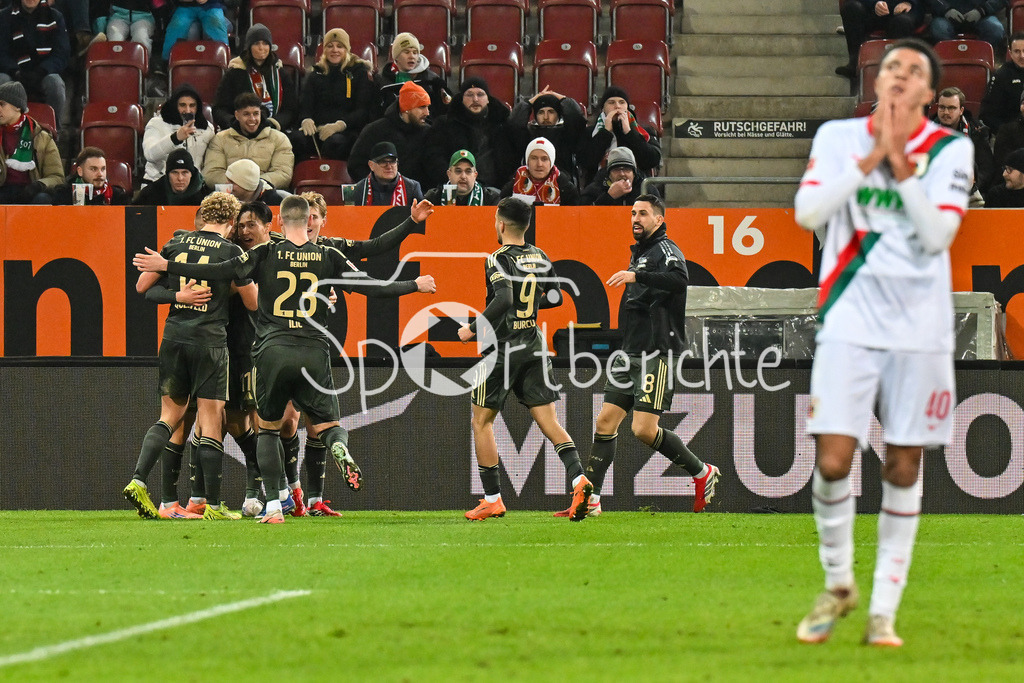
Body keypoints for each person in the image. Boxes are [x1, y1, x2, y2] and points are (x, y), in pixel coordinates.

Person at [793, 39, 973, 647]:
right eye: (892, 65)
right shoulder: (838, 139)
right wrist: (870, 161)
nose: (900, 76)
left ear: (929, 93)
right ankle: (839, 583)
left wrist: (901, 167)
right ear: (876, 79)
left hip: (919, 329)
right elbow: (808, 213)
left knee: (903, 463)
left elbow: (938, 233)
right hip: (848, 319)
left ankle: (883, 613)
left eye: (914, 71)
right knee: (833, 459)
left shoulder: (952, 149)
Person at [134, 195, 439, 523]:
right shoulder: (328, 254)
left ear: (278, 222)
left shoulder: (265, 252)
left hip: (271, 351)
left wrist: (168, 266)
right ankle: (336, 448)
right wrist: (415, 282)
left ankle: (274, 507)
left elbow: (220, 269)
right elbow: (374, 284)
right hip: (314, 350)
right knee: (327, 425)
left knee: (266, 429)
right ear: (310, 220)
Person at [580, 194, 721, 519]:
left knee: (643, 429)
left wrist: (637, 276)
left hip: (657, 351)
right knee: (604, 422)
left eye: (643, 213)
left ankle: (702, 472)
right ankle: (592, 501)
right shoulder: (642, 253)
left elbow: (679, 279)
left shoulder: (666, 249)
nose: (635, 218)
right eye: (633, 213)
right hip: (631, 352)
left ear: (659, 219)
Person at [457, 197, 593, 521]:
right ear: (527, 226)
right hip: (534, 345)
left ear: (500, 224)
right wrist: (527, 309)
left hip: (503, 350)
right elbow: (557, 296)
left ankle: (492, 499)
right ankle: (579, 480)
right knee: (550, 422)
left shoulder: (496, 259)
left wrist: (473, 329)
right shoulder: (540, 255)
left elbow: (503, 297)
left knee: (481, 421)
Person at [124, 192, 257, 521]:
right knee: (210, 421)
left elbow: (142, 286)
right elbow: (253, 303)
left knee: (169, 416)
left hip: (173, 338)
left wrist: (178, 295)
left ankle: (139, 480)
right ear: (229, 222)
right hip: (209, 342)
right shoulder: (231, 251)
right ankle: (210, 505)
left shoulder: (176, 244)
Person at [291, 27, 376, 163]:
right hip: (317, 130)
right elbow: (305, 104)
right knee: (295, 139)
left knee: (336, 143)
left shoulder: (359, 73)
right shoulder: (315, 74)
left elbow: (362, 110)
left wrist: (340, 125)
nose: (334, 50)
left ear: (346, 49)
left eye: (339, 46)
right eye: (330, 46)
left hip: (346, 130)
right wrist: (306, 119)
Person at [421, 77, 517, 190]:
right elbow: (434, 157)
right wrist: (451, 183)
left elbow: (512, 160)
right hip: (454, 189)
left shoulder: (502, 124)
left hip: (495, 191)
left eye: (480, 94)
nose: (475, 99)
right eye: (469, 95)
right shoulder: (444, 124)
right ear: (461, 98)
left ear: (488, 99)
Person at [213, 23, 297, 134]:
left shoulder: (279, 73)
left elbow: (291, 109)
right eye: (257, 43)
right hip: (240, 131)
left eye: (265, 43)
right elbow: (219, 109)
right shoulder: (234, 73)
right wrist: (236, 123)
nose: (262, 48)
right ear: (249, 47)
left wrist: (274, 123)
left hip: (273, 131)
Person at [0, 0, 70, 129]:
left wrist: (42, 70)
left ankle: (55, 131)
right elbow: (1, 53)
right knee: (2, 80)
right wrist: (15, 71)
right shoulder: (4, 17)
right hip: (14, 73)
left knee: (55, 83)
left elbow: (62, 54)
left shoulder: (55, 17)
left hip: (43, 73)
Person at [203, 92, 295, 191]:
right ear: (237, 115)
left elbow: (283, 174)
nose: (252, 119)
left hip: (265, 194)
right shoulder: (220, 139)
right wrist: (239, 186)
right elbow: (212, 174)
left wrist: (254, 185)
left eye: (256, 113)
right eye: (246, 114)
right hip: (230, 195)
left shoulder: (279, 139)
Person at [348, 80, 432, 184]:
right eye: (422, 107)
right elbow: (356, 165)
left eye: (428, 107)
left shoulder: (428, 132)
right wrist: (379, 188)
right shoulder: (375, 130)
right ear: (406, 108)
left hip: (418, 195)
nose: (427, 113)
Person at [578, 87, 662, 186]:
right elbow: (586, 162)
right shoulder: (589, 132)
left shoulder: (644, 131)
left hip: (635, 186)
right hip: (599, 187)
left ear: (627, 107)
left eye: (622, 102)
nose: (617, 106)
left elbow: (652, 160)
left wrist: (629, 133)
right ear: (603, 109)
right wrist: (605, 133)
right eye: (611, 102)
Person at [0, 81, 62, 205]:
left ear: (18, 107)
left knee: (43, 199)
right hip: (2, 190)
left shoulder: (42, 137)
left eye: (2, 104)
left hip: (30, 192)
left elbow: (57, 177)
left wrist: (39, 185)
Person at [508, 87, 587, 181]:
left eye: (551, 112)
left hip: (561, 181)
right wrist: (529, 103)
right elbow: (515, 123)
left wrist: (562, 99)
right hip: (531, 180)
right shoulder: (528, 134)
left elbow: (576, 118)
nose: (546, 117)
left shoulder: (566, 133)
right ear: (535, 116)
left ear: (558, 115)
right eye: (541, 112)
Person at [142, 83, 215, 186]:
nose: (188, 110)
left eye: (192, 105)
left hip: (192, 187)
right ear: (174, 105)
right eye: (182, 105)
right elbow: (150, 155)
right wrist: (175, 138)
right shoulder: (156, 124)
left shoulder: (207, 128)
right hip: (157, 183)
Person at [931, 86, 995, 196]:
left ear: (961, 110)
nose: (946, 112)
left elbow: (986, 170)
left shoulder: (976, 132)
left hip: (968, 190)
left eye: (951, 108)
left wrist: (970, 187)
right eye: (942, 107)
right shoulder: (926, 132)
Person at [836, 1, 926, 78]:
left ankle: (899, 69)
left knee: (902, 22)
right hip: (872, 9)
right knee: (851, 8)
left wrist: (909, 2)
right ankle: (855, 63)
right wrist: (874, 3)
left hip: (906, 10)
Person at [375, 32, 451, 118]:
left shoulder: (432, 80)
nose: (412, 56)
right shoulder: (383, 80)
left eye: (415, 53)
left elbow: (446, 110)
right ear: (396, 56)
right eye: (406, 52)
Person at [500, 137, 580, 206]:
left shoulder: (565, 188)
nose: (539, 164)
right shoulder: (515, 182)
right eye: (534, 158)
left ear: (551, 162)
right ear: (527, 161)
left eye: (544, 159)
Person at [349, 141, 424, 206]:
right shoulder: (360, 188)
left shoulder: (412, 187)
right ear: (371, 165)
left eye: (392, 161)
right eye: (383, 161)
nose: (388, 166)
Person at [50, 146, 132, 205]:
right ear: (80, 171)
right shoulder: (64, 195)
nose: (100, 174)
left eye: (103, 169)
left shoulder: (118, 197)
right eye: (93, 169)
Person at [580, 147, 659, 206]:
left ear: (634, 173)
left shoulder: (647, 190)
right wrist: (608, 197)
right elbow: (583, 218)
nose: (622, 174)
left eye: (626, 169)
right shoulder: (595, 189)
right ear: (609, 174)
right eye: (616, 169)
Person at [133, 147, 212, 205]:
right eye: (175, 173)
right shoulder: (151, 193)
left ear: (191, 174)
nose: (180, 178)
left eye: (184, 173)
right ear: (168, 174)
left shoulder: (206, 197)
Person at [980, 32, 1024, 134]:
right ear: (1010, 52)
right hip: (1011, 135)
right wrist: (1007, 133)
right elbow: (987, 115)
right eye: (1017, 51)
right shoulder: (1001, 76)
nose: (1022, 56)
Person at [424, 149, 500, 206]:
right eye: (458, 171)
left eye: (468, 171)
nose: (463, 176)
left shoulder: (491, 199)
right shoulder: (433, 198)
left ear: (475, 175)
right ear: (449, 174)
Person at [161, 0, 229, 63]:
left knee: (216, 26)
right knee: (176, 26)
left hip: (212, 5)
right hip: (185, 6)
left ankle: (223, 61)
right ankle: (167, 62)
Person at [928, 1, 1005, 53]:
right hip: (946, 17)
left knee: (995, 29)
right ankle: (949, 63)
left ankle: (981, 61)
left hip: (982, 16)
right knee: (939, 29)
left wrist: (981, 10)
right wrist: (946, 9)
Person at [224, 158, 290, 205]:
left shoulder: (273, 202)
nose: (227, 184)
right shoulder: (223, 198)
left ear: (247, 186)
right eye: (227, 180)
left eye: (232, 182)